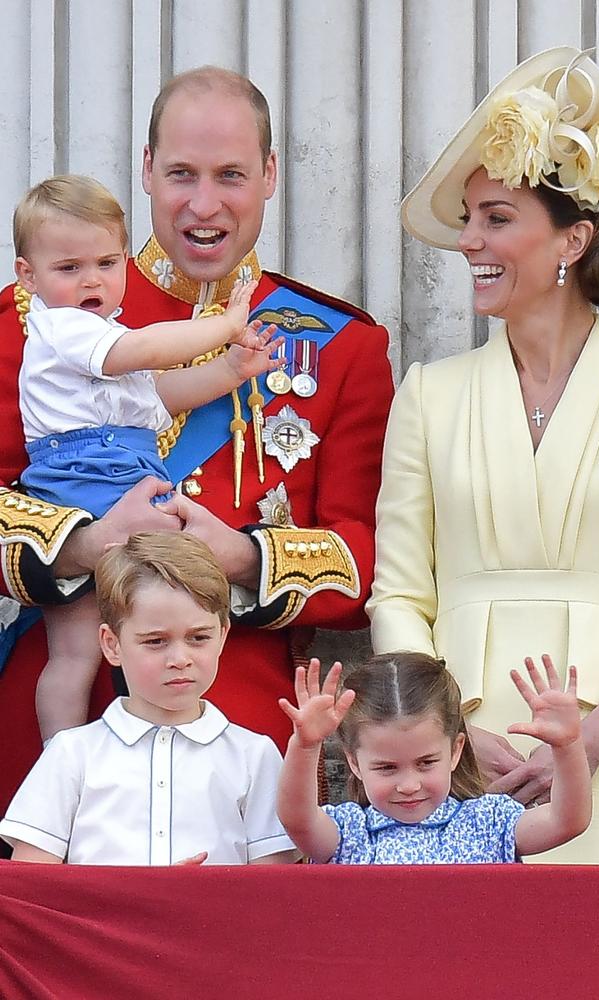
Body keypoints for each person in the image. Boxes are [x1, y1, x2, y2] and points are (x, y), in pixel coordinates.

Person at [0, 67, 393, 814]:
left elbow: (368, 561)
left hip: (242, 734)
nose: (204, 204)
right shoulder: (30, 318)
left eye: (232, 175)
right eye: (182, 173)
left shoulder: (342, 345)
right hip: (60, 724)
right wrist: (83, 544)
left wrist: (242, 554)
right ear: (146, 168)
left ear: (270, 175)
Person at [367, 46, 599, 863]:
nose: (468, 242)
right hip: (452, 768)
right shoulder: (430, 392)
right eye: (468, 217)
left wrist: (588, 743)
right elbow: (398, 591)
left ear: (574, 240)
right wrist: (443, 732)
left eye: (496, 217)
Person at [14, 174, 283, 744]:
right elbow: (138, 353)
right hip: (78, 487)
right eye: (69, 269)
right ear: (27, 277)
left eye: (107, 264)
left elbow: (159, 398)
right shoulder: (63, 327)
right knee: (74, 654)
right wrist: (225, 326)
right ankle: (61, 766)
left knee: (156, 634)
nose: (92, 281)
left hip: (129, 469)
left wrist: (231, 370)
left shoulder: (105, 333)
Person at [0, 532, 298, 865]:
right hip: (97, 919)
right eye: (156, 641)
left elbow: (273, 886)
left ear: (223, 635)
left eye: (199, 637)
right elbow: (32, 882)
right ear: (112, 644)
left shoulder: (254, 756)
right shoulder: (72, 753)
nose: (180, 658)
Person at [277, 653, 591, 863]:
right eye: (387, 768)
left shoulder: (489, 822)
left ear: (455, 751)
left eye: (426, 763)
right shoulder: (348, 833)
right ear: (355, 763)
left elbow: (567, 821)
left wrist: (568, 746)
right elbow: (298, 820)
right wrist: (305, 746)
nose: (410, 785)